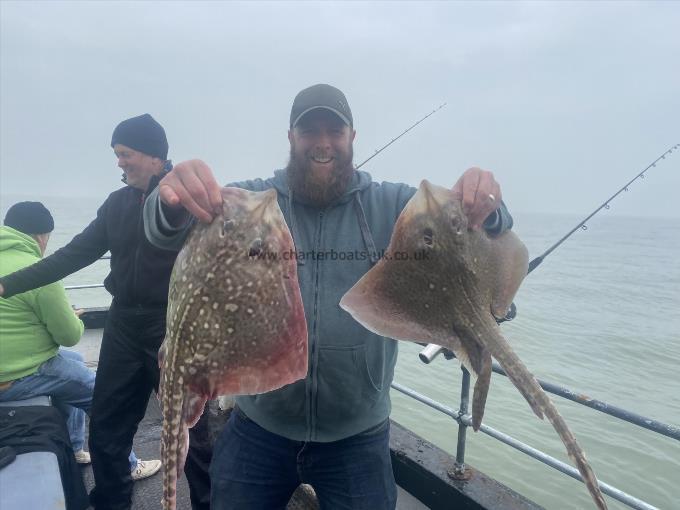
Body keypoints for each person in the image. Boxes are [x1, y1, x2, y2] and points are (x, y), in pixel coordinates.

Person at [144, 83, 512, 510]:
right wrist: (169, 198)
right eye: (309, 131)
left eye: (334, 132)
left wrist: (486, 203)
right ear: (290, 138)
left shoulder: (389, 205)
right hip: (260, 428)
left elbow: (475, 227)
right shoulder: (253, 204)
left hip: (357, 437)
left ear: (352, 138)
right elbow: (164, 229)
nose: (322, 143)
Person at [0, 114, 214, 510]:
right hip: (123, 325)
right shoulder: (116, 203)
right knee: (106, 426)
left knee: (195, 432)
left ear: (154, 156)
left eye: (125, 154)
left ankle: (209, 502)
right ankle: (111, 502)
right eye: (117, 154)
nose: (119, 162)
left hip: (176, 324)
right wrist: (6, 285)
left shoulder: (185, 204)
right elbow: (72, 255)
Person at [0, 201, 151, 478]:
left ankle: (74, 447)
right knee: (99, 393)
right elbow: (68, 336)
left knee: (76, 363)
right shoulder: (37, 271)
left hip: (9, 367)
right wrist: (75, 318)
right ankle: (128, 466)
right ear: (41, 236)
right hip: (15, 377)